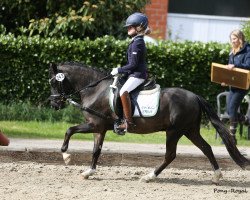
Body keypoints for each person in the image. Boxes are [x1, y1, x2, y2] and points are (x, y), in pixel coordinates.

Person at [110, 12, 151, 132]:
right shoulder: (136, 40)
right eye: (128, 27)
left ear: (139, 27)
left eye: (131, 26)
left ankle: (128, 122)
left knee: (123, 91)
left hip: (138, 75)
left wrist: (119, 70)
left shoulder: (138, 42)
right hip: (133, 74)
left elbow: (133, 65)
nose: (128, 28)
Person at [222, 29, 250, 144]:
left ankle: (232, 137)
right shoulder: (232, 52)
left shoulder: (247, 50)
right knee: (229, 111)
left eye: (235, 39)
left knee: (232, 108)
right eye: (231, 39)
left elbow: (248, 65)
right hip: (233, 85)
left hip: (243, 85)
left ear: (240, 38)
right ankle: (246, 120)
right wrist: (225, 80)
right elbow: (230, 70)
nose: (233, 41)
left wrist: (235, 65)